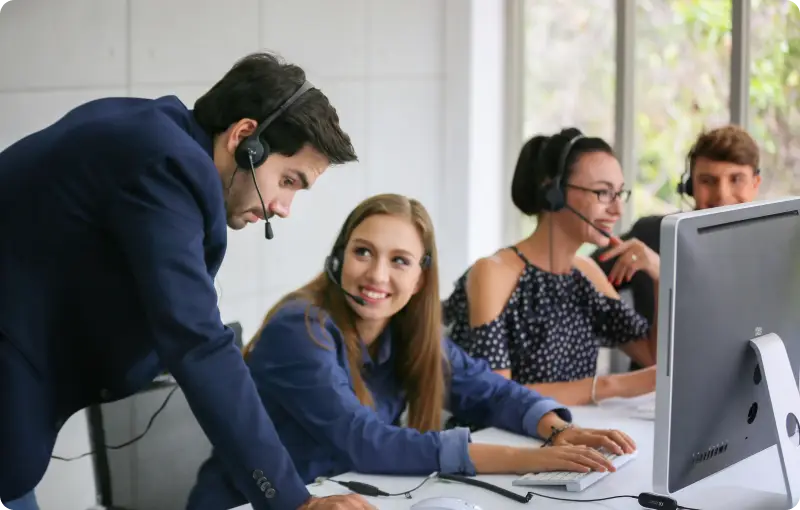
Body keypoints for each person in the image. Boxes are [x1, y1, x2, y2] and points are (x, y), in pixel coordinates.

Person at [0, 52, 374, 510]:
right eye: (288, 181)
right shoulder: (165, 163)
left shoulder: (154, 131)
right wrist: (293, 502)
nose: (283, 207)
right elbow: (197, 341)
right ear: (244, 139)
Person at [186, 193, 638, 508]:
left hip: (344, 498)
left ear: (420, 278)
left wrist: (556, 429)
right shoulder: (299, 328)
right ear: (339, 257)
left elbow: (488, 390)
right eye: (363, 252)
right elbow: (365, 441)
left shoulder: (405, 330)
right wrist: (532, 461)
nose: (377, 275)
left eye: (399, 260)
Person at [442, 128, 659, 408]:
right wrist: (609, 385)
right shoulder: (493, 273)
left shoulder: (587, 273)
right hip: (501, 442)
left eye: (620, 193)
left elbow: (654, 359)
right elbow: (497, 397)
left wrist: (660, 273)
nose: (618, 209)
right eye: (603, 193)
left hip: (566, 436)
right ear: (554, 192)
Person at [590, 125, 762, 370]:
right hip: (648, 395)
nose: (722, 194)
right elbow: (576, 275)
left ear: (755, 183)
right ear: (690, 187)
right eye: (708, 181)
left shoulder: (775, 249)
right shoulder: (652, 235)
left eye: (736, 179)